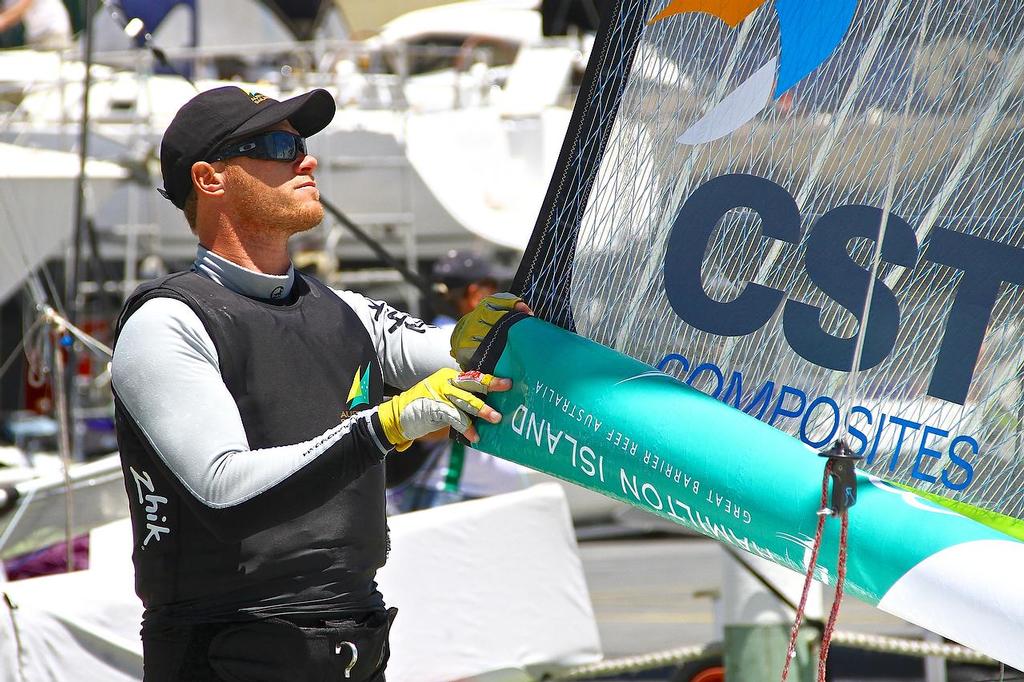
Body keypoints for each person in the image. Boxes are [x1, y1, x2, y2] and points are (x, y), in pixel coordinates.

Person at [111, 86, 527, 682]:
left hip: (356, 641)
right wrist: (386, 425)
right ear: (209, 178)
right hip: (225, 651)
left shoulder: (348, 312)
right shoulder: (167, 321)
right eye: (279, 145)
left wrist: (517, 327)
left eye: (303, 143)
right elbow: (224, 491)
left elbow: (468, 351)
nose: (306, 160)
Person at [387, 250, 529, 513]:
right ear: (476, 293)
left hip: (453, 488)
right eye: (492, 288)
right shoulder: (467, 348)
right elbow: (428, 430)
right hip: (461, 490)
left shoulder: (426, 341)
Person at [0, 0, 71, 50]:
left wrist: (4, 20)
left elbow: (23, 5)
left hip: (50, 30)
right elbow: (7, 11)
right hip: (35, 33)